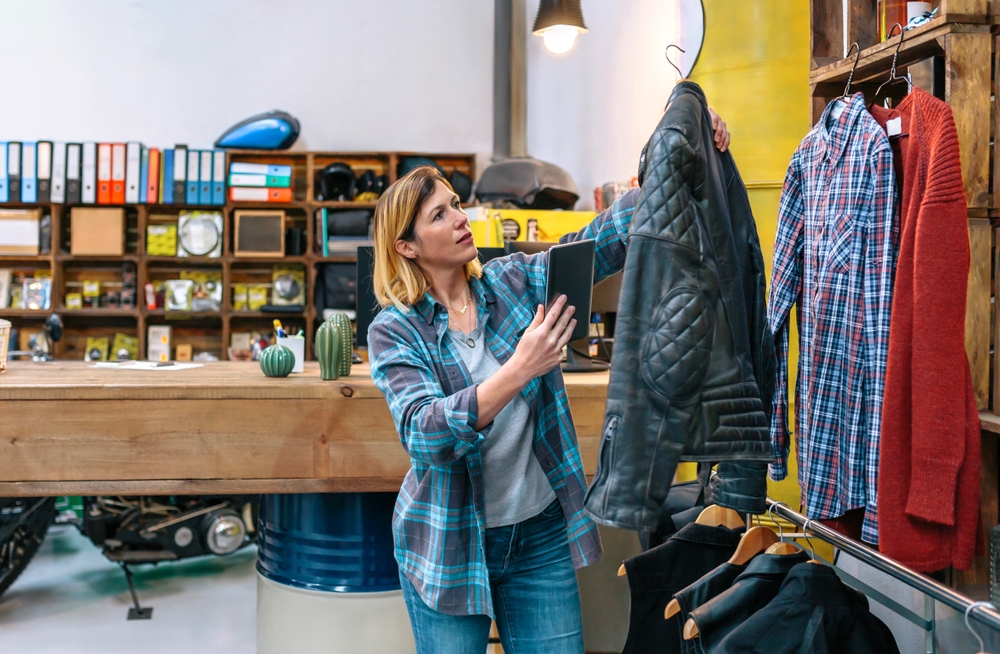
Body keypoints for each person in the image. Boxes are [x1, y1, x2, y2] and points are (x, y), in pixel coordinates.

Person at [369, 113, 731, 654]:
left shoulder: (514, 281)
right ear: (407, 247)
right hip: (447, 543)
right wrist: (520, 368)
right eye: (439, 215)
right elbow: (426, 436)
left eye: (457, 205)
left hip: (537, 535)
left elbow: (603, 239)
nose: (461, 219)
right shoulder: (395, 328)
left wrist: (676, 152)